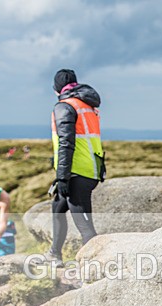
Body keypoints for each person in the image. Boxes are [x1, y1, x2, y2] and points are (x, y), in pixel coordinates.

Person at [46, 68, 105, 267]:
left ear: (56, 88)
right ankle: (54, 254)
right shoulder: (87, 105)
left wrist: (62, 177)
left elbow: (66, 142)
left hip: (76, 172)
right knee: (58, 207)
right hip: (90, 167)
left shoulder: (64, 106)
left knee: (85, 226)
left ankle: (94, 264)